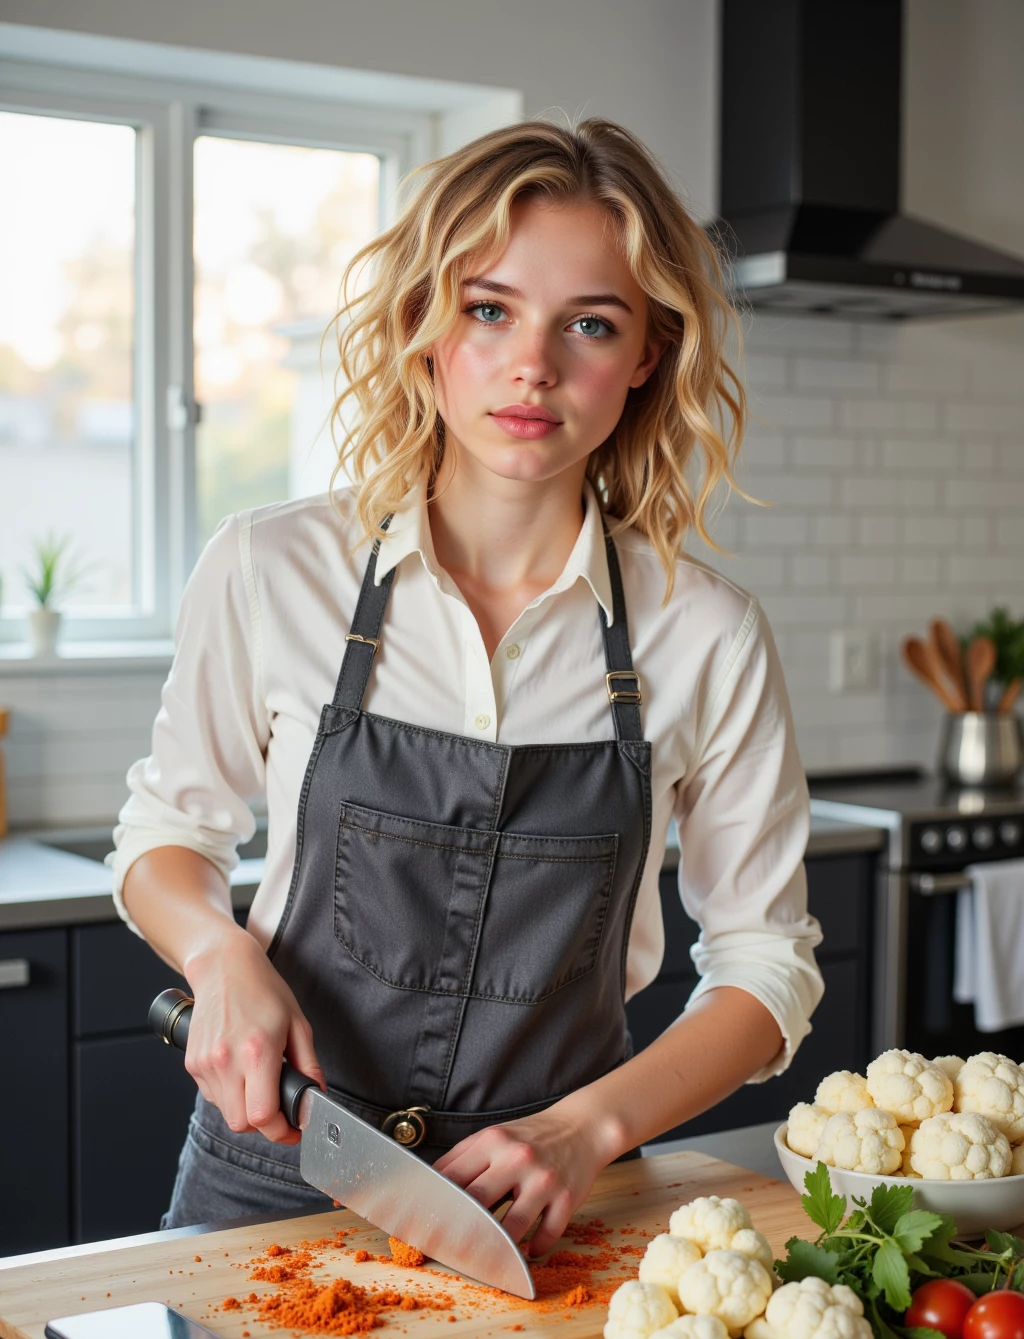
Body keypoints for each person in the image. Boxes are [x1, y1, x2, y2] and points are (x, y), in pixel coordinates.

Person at [112, 118, 823, 1256]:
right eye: (488, 309)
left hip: (551, 1203)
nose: (531, 365)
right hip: (277, 1172)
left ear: (645, 355)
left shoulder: (706, 635)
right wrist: (218, 954)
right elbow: (164, 839)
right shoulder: (270, 568)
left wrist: (586, 1131)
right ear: (425, 326)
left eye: (588, 324)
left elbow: (765, 967)